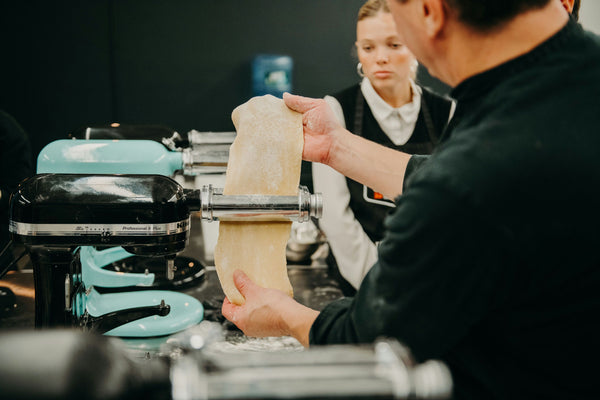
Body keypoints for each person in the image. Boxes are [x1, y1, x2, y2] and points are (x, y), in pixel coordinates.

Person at [222, 0, 600, 398]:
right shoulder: (569, 79)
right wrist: (339, 147)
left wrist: (283, 314)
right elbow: (456, 178)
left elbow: (375, 342)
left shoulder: (474, 175)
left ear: (430, 12)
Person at [314, 0, 453, 292]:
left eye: (394, 45)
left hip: (431, 278)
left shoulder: (447, 113)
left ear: (415, 44)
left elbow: (452, 208)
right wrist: (376, 283)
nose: (380, 58)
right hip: (356, 283)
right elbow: (334, 216)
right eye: (368, 48)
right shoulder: (335, 111)